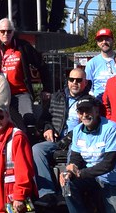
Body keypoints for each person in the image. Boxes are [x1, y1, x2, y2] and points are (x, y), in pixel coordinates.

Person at [61, 95, 116, 213]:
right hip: (90, 178)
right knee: (66, 182)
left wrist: (80, 174)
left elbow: (108, 164)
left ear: (96, 111)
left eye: (88, 110)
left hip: (111, 180)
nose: (85, 115)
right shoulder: (78, 130)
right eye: (81, 111)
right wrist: (70, 171)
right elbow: (75, 158)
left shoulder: (111, 128)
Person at [0, 102, 42, 213]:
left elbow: (24, 170)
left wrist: (20, 197)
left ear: (7, 116)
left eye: (0, 117)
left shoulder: (17, 137)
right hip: (2, 193)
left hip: (16, 193)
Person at [33, 67, 89, 200]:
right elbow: (44, 118)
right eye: (72, 79)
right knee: (36, 149)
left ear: (85, 83)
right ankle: (47, 193)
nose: (75, 82)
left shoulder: (89, 101)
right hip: (56, 139)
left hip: (77, 141)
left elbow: (90, 124)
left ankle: (68, 193)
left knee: (73, 153)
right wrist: (47, 128)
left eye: (79, 80)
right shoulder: (56, 97)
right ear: (68, 81)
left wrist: (70, 138)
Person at [0, 18, 51, 130]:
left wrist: (47, 89)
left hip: (21, 92)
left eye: (9, 31)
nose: (6, 34)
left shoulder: (23, 46)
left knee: (28, 118)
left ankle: (29, 144)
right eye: (2, 31)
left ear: (13, 32)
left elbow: (42, 65)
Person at [85, 28, 116, 98]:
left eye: (107, 39)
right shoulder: (91, 63)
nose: (104, 42)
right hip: (99, 103)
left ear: (113, 40)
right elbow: (88, 89)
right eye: (100, 40)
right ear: (97, 43)